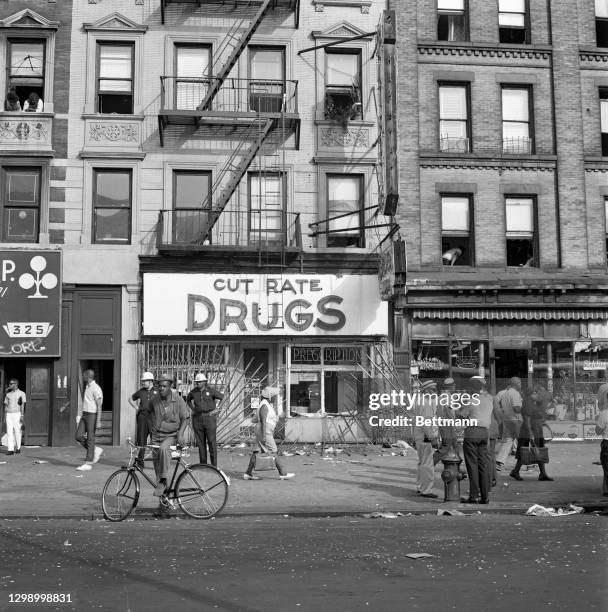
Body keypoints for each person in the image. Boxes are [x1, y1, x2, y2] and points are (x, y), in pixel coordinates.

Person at [149, 374, 189, 509]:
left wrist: (181, 434)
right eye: (159, 386)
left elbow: (185, 418)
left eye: (164, 386)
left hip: (171, 436)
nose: (161, 388)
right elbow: (147, 412)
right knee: (157, 472)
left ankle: (164, 479)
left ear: (170, 386)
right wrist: (151, 427)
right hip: (156, 437)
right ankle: (163, 506)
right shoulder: (154, 400)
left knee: (164, 449)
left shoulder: (178, 400)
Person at [243, 386, 294, 481]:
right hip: (265, 431)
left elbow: (255, 419)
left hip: (263, 430)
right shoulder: (265, 406)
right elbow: (263, 420)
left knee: (256, 451)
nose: (275, 398)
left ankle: (248, 473)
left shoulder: (264, 404)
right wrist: (264, 436)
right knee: (273, 450)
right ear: (270, 396)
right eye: (274, 396)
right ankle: (282, 473)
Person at [460, 376, 494, 504]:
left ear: (472, 388)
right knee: (483, 465)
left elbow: (462, 414)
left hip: (472, 432)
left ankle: (474, 496)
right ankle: (485, 496)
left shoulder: (471, 401)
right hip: (484, 433)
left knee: (472, 465)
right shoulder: (489, 399)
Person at [510, 389, 553, 482]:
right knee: (525, 451)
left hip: (536, 430)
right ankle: (516, 471)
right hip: (529, 432)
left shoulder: (534, 404)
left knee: (539, 451)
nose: (537, 394)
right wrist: (530, 433)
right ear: (529, 395)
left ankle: (542, 474)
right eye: (535, 393)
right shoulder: (527, 404)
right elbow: (527, 420)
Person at [186, 372, 223, 466]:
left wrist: (217, 409)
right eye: (196, 382)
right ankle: (203, 464)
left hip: (209, 418)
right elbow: (188, 399)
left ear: (204, 382)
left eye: (199, 382)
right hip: (197, 418)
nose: (197, 383)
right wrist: (193, 409)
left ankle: (214, 465)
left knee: (211, 442)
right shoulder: (194, 392)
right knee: (200, 443)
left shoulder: (211, 391)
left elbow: (223, 397)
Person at [433, 378, 466, 478]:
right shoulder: (446, 397)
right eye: (454, 385)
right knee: (446, 446)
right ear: (451, 386)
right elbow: (448, 411)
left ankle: (457, 467)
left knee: (456, 446)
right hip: (446, 424)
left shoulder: (445, 396)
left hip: (447, 424)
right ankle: (429, 464)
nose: (455, 387)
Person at [413, 379, 440, 498]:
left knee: (422, 463)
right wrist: (432, 437)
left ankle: (420, 486)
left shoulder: (419, 402)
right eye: (433, 390)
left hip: (419, 436)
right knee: (427, 464)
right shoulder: (426, 404)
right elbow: (427, 423)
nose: (435, 392)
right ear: (427, 391)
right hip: (425, 437)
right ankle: (426, 489)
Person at [75, 369, 104, 471]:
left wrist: (99, 420)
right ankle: (95, 450)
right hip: (84, 414)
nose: (82, 377)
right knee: (78, 436)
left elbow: (99, 406)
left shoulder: (96, 388)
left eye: (83, 375)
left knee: (91, 438)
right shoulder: (87, 386)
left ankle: (88, 463)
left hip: (92, 415)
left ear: (88, 376)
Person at [128, 372, 158, 469]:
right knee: (141, 441)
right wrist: (137, 408)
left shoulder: (157, 391)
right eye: (142, 381)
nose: (143, 383)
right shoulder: (141, 391)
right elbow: (130, 399)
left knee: (156, 442)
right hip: (143, 418)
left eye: (145, 381)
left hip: (154, 418)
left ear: (150, 381)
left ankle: (157, 464)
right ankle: (139, 464)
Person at [494, 377, 523, 470]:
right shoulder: (515, 393)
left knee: (508, 441)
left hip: (507, 420)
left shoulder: (505, 393)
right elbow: (516, 408)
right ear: (516, 383)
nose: (521, 385)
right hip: (515, 420)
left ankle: (499, 462)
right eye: (520, 383)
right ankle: (528, 460)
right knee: (523, 440)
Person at [4, 379, 26, 455]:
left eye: (11, 384)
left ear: (16, 384)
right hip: (9, 414)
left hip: (17, 414)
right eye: (9, 384)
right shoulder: (8, 394)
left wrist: (22, 415)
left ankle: (18, 448)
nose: (9, 385)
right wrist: (5, 415)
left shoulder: (22, 393)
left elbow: (22, 405)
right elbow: (6, 405)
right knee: (9, 431)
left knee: (17, 431)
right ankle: (10, 449)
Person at [595, 396, 608, 496]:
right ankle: (605, 489)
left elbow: (598, 431)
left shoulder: (604, 414)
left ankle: (606, 490)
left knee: (607, 468)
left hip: (607, 444)